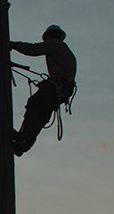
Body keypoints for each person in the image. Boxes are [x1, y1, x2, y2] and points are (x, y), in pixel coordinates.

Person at [10, 24, 77, 156]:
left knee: (35, 105)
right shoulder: (64, 49)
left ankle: (24, 139)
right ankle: (24, 141)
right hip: (61, 89)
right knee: (41, 113)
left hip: (57, 87)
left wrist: (12, 45)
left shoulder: (56, 45)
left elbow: (33, 49)